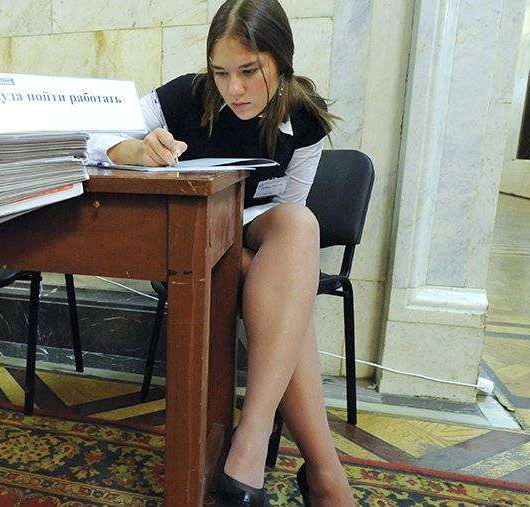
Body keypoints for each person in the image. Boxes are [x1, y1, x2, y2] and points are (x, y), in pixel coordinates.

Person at [87, 1, 355, 505]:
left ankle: (252, 441)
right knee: (290, 300)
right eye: (221, 72)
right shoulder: (185, 96)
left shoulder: (304, 119)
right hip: (194, 245)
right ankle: (319, 473)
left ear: (281, 60)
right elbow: (91, 133)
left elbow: (289, 210)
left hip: (257, 236)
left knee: (299, 223)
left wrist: (257, 259)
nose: (234, 89)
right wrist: (133, 149)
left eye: (249, 71)